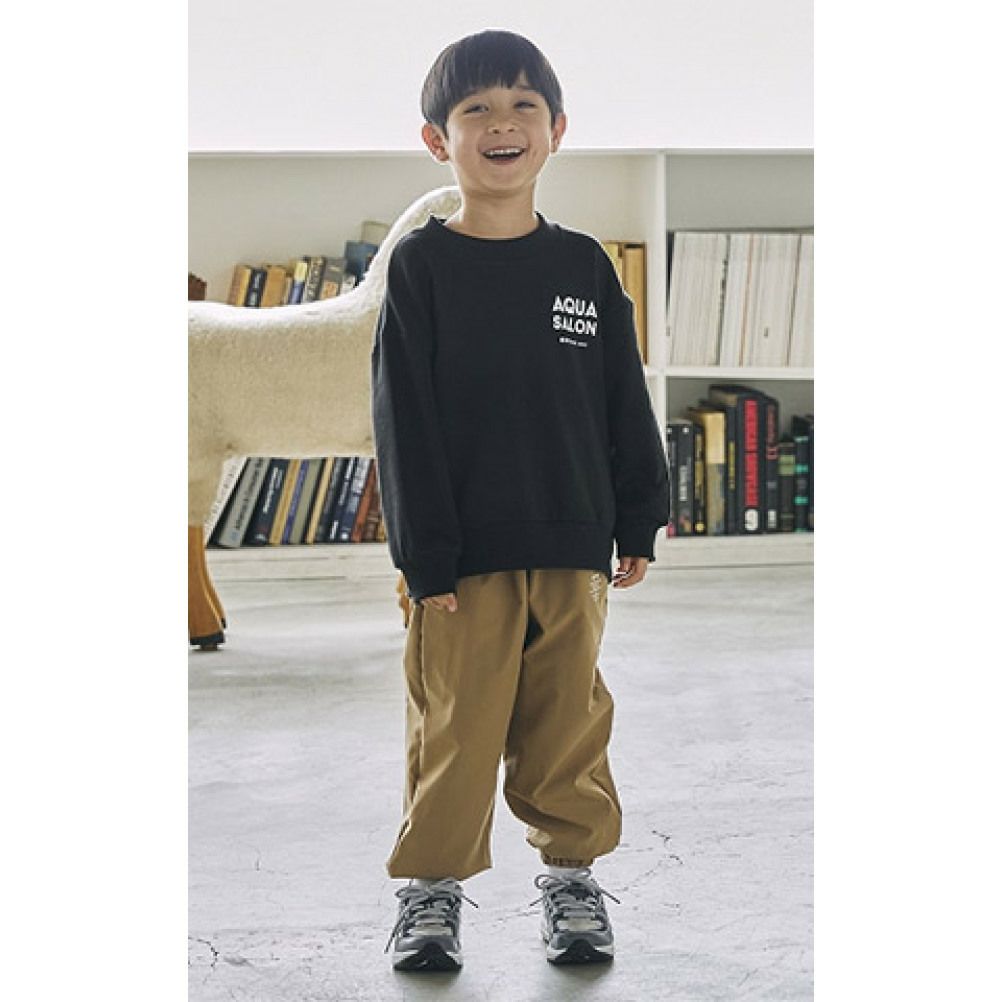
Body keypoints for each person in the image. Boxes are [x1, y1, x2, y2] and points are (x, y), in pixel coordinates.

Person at [371, 28, 670, 972]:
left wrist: (639, 511)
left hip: (575, 542)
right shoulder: (421, 267)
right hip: (461, 558)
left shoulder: (585, 266)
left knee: (567, 720)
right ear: (438, 140)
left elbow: (622, 395)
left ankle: (573, 879)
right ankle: (430, 892)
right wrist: (425, 553)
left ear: (556, 129)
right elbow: (403, 419)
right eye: (477, 110)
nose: (502, 124)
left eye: (522, 107)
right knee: (455, 726)